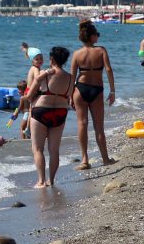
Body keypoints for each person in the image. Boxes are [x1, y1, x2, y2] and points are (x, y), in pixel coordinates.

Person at [70, 20, 116, 170]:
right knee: (99, 127)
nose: (98, 37)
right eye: (97, 34)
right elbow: (108, 70)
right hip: (96, 89)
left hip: (80, 89)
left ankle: (85, 160)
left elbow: (72, 76)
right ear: (91, 37)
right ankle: (105, 159)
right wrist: (112, 90)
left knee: (82, 124)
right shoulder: (101, 50)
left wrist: (70, 95)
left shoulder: (77, 54)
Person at [26, 46, 73, 188]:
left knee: (38, 149)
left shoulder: (44, 74)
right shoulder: (70, 77)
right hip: (60, 113)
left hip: (41, 111)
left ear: (51, 58)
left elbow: (28, 96)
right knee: (54, 149)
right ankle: (51, 181)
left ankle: (41, 181)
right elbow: (69, 96)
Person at [19, 46, 44, 139]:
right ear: (32, 61)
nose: (40, 60)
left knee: (30, 110)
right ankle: (29, 129)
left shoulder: (32, 68)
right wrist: (44, 73)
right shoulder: (36, 69)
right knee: (31, 110)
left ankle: (29, 128)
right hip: (32, 91)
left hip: (28, 90)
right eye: (36, 59)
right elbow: (38, 79)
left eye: (41, 58)